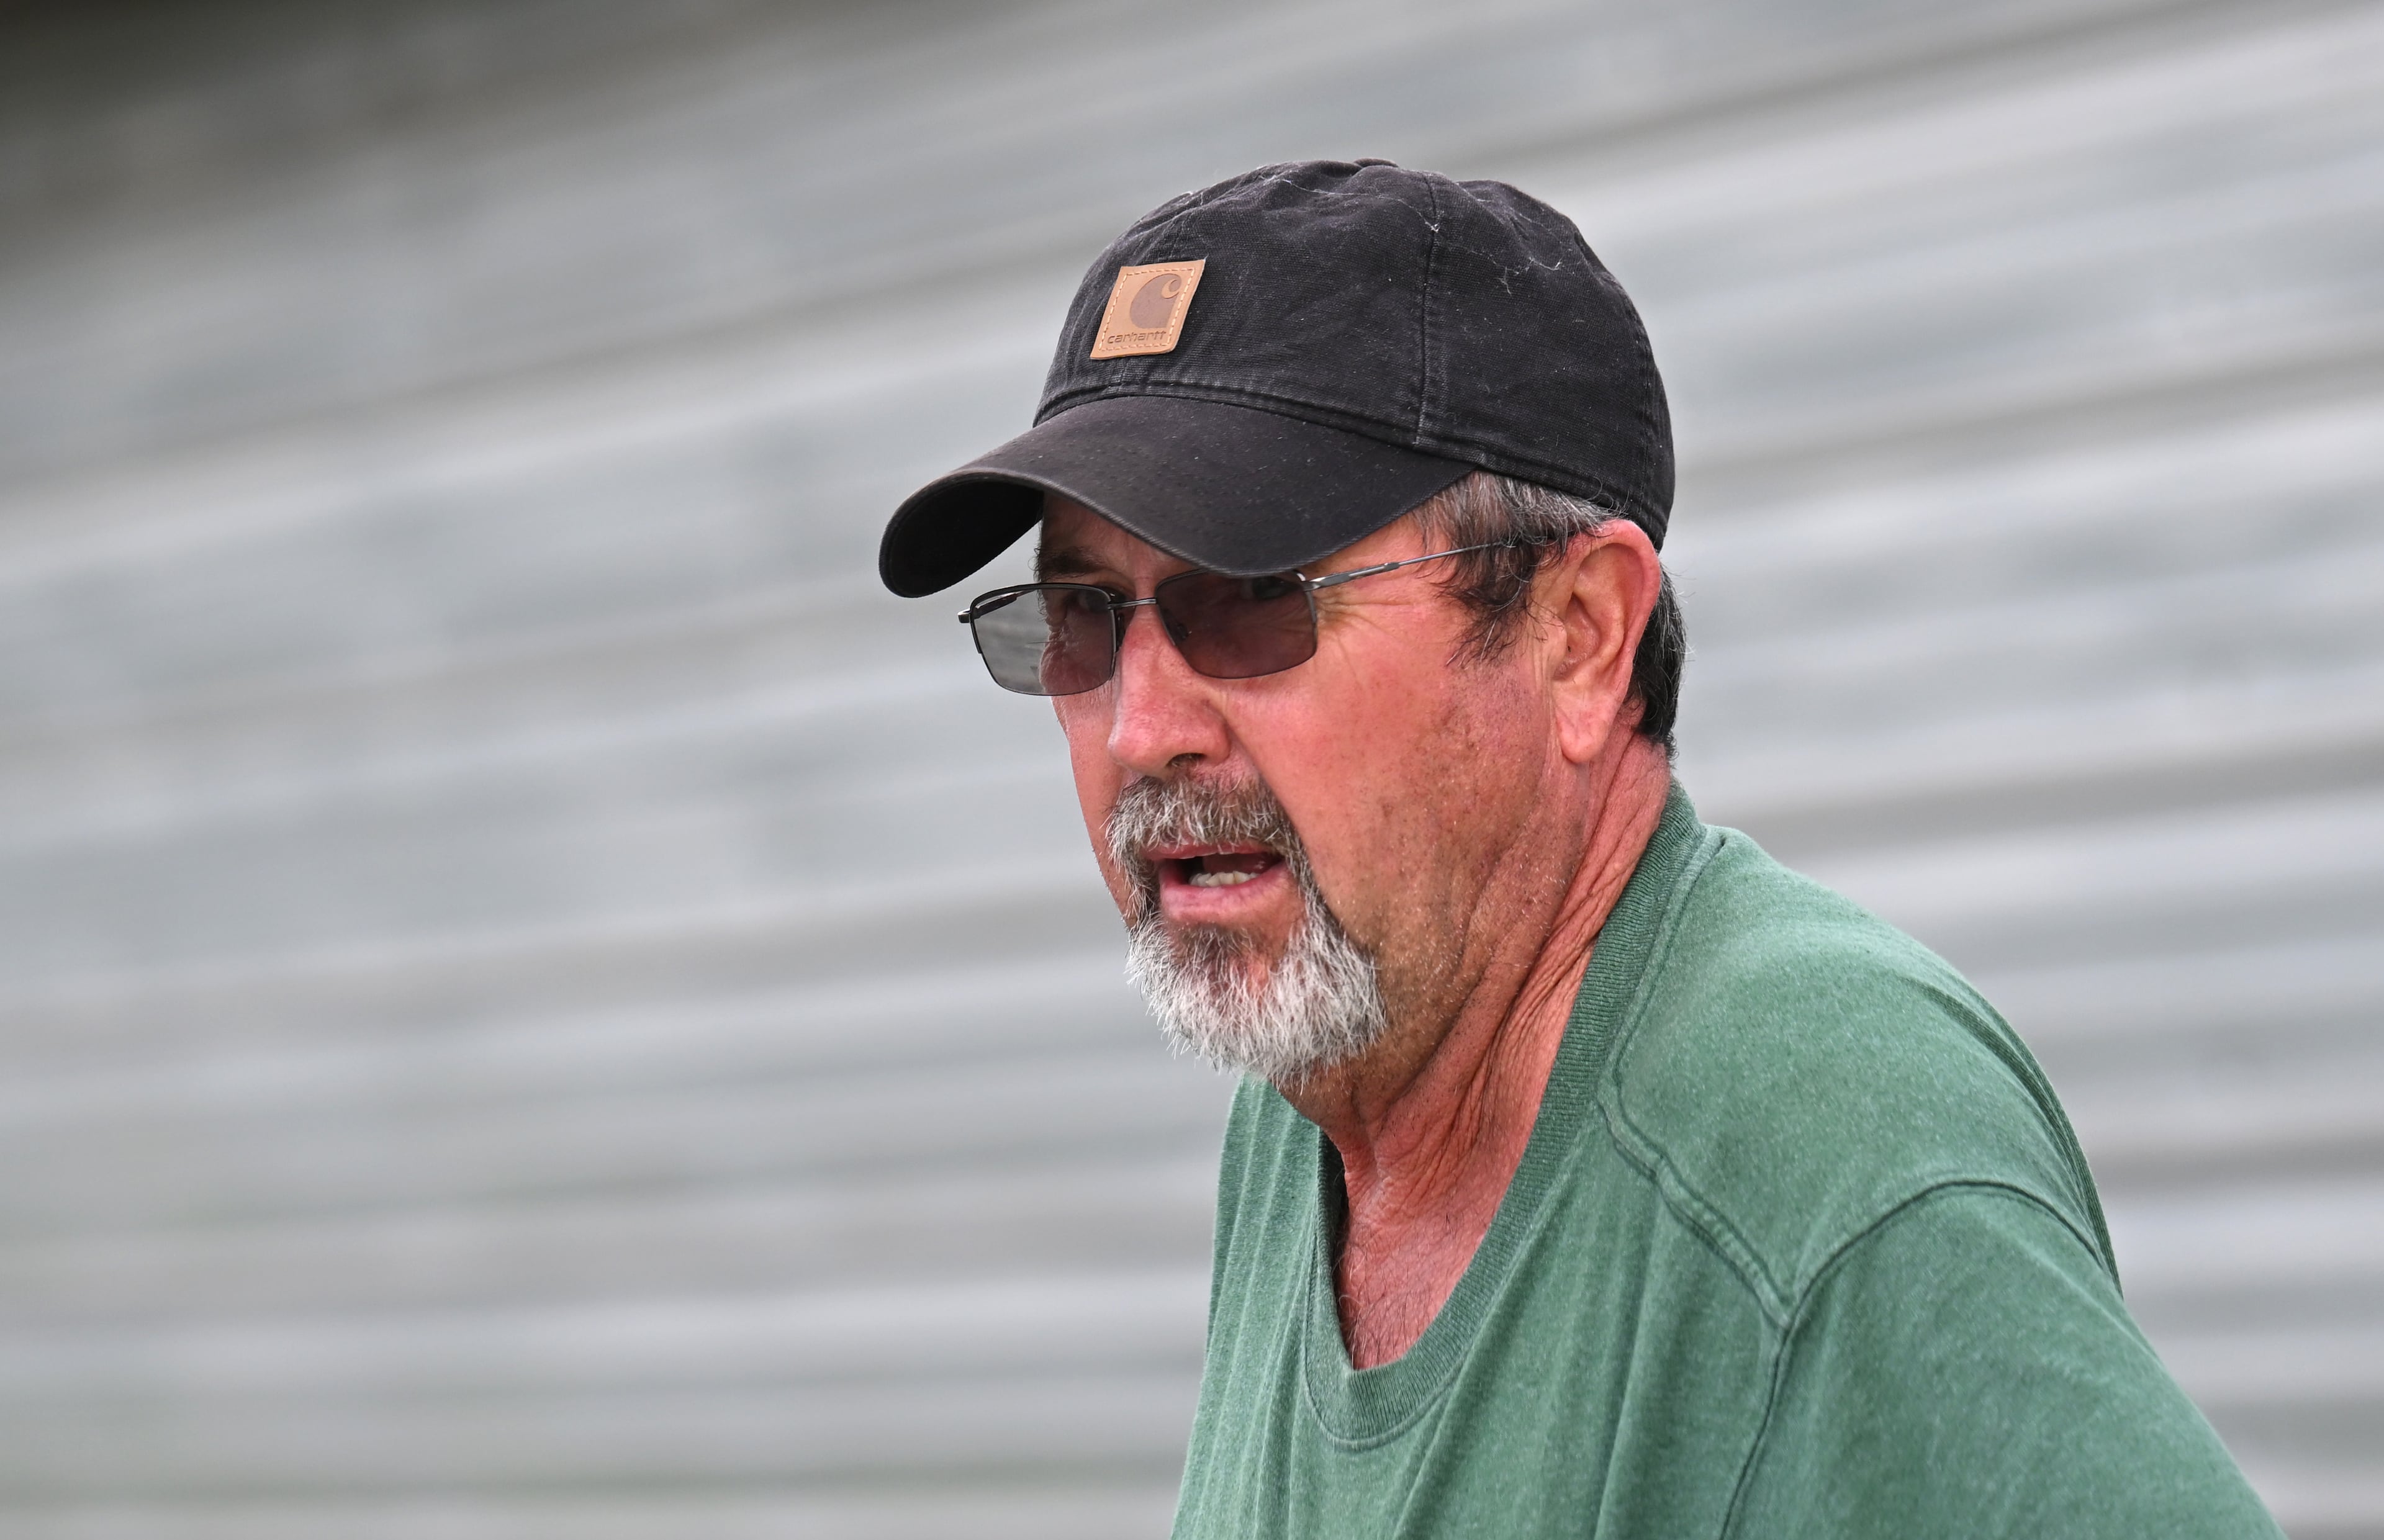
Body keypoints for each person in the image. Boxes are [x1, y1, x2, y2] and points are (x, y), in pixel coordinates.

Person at [877, 160, 2278, 1538]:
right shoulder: (1319, 1091)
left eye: (1251, 599)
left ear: (1578, 637)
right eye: (1082, 612)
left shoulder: (1828, 1147)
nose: (1140, 724)